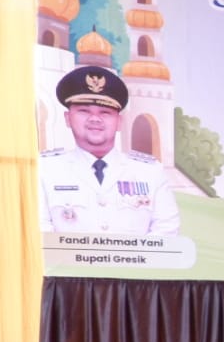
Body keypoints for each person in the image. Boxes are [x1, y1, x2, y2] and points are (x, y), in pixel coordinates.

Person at [38, 64, 180, 236]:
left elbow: (167, 232)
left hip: (136, 263)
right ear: (68, 118)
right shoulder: (44, 170)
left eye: (105, 112)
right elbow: (40, 235)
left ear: (119, 121)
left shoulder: (150, 172)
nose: (95, 119)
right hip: (65, 264)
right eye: (84, 111)